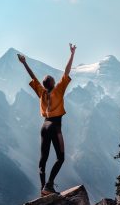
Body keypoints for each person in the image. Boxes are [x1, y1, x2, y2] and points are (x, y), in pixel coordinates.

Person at [17, 43, 76, 196]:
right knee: (60, 158)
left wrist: (24, 63)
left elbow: (33, 77)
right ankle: (49, 185)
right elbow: (67, 71)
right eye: (52, 79)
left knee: (43, 158)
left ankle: (42, 188)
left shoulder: (41, 92)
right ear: (53, 83)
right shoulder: (58, 90)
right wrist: (72, 54)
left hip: (44, 126)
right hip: (55, 126)